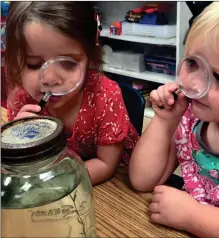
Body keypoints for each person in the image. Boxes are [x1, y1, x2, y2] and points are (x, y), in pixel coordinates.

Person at [129, 2, 219, 237]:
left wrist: (193, 216)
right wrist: (164, 122)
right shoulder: (189, 120)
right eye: (192, 63)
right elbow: (143, 181)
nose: (194, 84)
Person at [5, 2, 139, 185]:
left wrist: (56, 184)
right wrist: (19, 145)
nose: (50, 78)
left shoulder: (106, 96)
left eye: (67, 63)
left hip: (114, 186)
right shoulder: (21, 99)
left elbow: (106, 164)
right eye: (33, 64)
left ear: (91, 55)